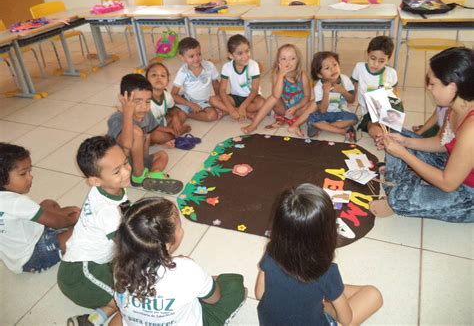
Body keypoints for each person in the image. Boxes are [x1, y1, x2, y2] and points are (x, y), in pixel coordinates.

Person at [255, 184, 383, 325]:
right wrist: (327, 302)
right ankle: (324, 295)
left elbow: (260, 294)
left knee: (322, 290)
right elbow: (346, 319)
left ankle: (322, 294)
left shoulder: (271, 252)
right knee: (373, 294)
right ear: (328, 234)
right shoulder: (327, 273)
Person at [371, 47, 474, 222]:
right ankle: (404, 184)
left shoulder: (471, 129)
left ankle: (398, 193)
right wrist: (405, 142)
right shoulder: (455, 106)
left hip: (466, 193)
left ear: (452, 87)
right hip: (451, 165)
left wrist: (402, 153)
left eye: (433, 83)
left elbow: (448, 183)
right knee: (395, 133)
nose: (428, 87)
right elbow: (441, 143)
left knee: (399, 199)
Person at [111, 197, 247, 326]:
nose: (181, 229)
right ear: (168, 244)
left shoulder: (119, 266)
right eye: (179, 227)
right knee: (235, 285)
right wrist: (195, 274)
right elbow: (214, 298)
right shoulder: (186, 269)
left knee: (125, 312)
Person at [58, 136, 131, 326]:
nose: (126, 172)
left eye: (126, 163)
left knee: (132, 284)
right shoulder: (107, 211)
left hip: (99, 262)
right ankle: (91, 321)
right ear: (95, 180)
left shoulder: (110, 188)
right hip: (81, 275)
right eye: (117, 171)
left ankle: (96, 317)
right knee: (132, 301)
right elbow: (129, 246)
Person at [0, 143, 80, 274]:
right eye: (23, 173)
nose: (30, 177)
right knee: (79, 232)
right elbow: (57, 222)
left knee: (48, 204)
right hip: (33, 255)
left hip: (20, 248)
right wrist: (73, 220)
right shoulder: (16, 202)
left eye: (29, 171)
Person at [107, 73, 182, 194]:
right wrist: (128, 113)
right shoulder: (116, 119)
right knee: (136, 131)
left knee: (162, 155)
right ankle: (138, 176)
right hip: (120, 165)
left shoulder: (147, 115)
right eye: (138, 101)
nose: (144, 107)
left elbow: (148, 136)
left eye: (148, 102)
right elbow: (126, 145)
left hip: (138, 161)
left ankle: (152, 175)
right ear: (123, 99)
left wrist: (145, 158)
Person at [288, 51, 358, 141]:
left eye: (335, 65)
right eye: (327, 68)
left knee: (354, 118)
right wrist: (325, 92)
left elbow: (351, 100)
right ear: (320, 74)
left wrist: (343, 91)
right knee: (312, 119)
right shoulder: (318, 87)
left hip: (341, 113)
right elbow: (322, 110)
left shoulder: (345, 79)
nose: (333, 69)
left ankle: (323, 127)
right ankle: (343, 132)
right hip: (324, 115)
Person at [242, 44, 310, 134]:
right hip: (282, 109)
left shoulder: (302, 75)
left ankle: (295, 120)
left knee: (313, 105)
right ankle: (254, 125)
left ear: (298, 60)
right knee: (272, 98)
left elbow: (307, 96)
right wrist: (281, 76)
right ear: (278, 61)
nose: (288, 62)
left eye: (292, 58)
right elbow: (276, 95)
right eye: (283, 59)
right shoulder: (276, 75)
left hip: (299, 109)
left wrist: (296, 107)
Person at [351, 36, 403, 142]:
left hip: (388, 107)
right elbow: (355, 86)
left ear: (388, 60)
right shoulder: (359, 68)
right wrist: (354, 101)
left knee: (386, 125)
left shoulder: (391, 73)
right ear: (367, 54)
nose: (375, 64)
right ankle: (384, 140)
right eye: (373, 58)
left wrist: (398, 101)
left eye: (381, 61)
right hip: (370, 111)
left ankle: (387, 136)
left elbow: (395, 90)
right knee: (372, 127)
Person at [171, 37, 225, 122]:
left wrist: (217, 102)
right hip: (188, 100)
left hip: (205, 101)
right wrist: (190, 104)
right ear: (182, 57)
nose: (196, 59)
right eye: (191, 56)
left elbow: (216, 84)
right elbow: (173, 94)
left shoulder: (209, 66)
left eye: (199, 54)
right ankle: (186, 111)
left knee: (212, 116)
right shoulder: (183, 72)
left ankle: (187, 113)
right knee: (172, 105)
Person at [217, 34, 264, 121]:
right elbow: (222, 90)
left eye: (247, 51)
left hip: (252, 98)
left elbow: (254, 90)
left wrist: (243, 106)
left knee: (261, 103)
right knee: (213, 100)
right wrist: (230, 108)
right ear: (231, 55)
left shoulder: (253, 65)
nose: (245, 56)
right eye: (240, 53)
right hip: (235, 97)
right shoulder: (227, 67)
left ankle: (231, 111)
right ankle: (242, 112)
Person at [146, 61, 191, 147]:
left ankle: (169, 137)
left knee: (182, 114)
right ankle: (177, 132)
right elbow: (149, 126)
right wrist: (169, 130)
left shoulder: (166, 95)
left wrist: (175, 117)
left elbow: (172, 109)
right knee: (156, 136)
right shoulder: (145, 100)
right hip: (150, 129)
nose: (158, 78)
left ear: (167, 82)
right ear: (146, 80)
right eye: (154, 75)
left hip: (161, 123)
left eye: (162, 75)